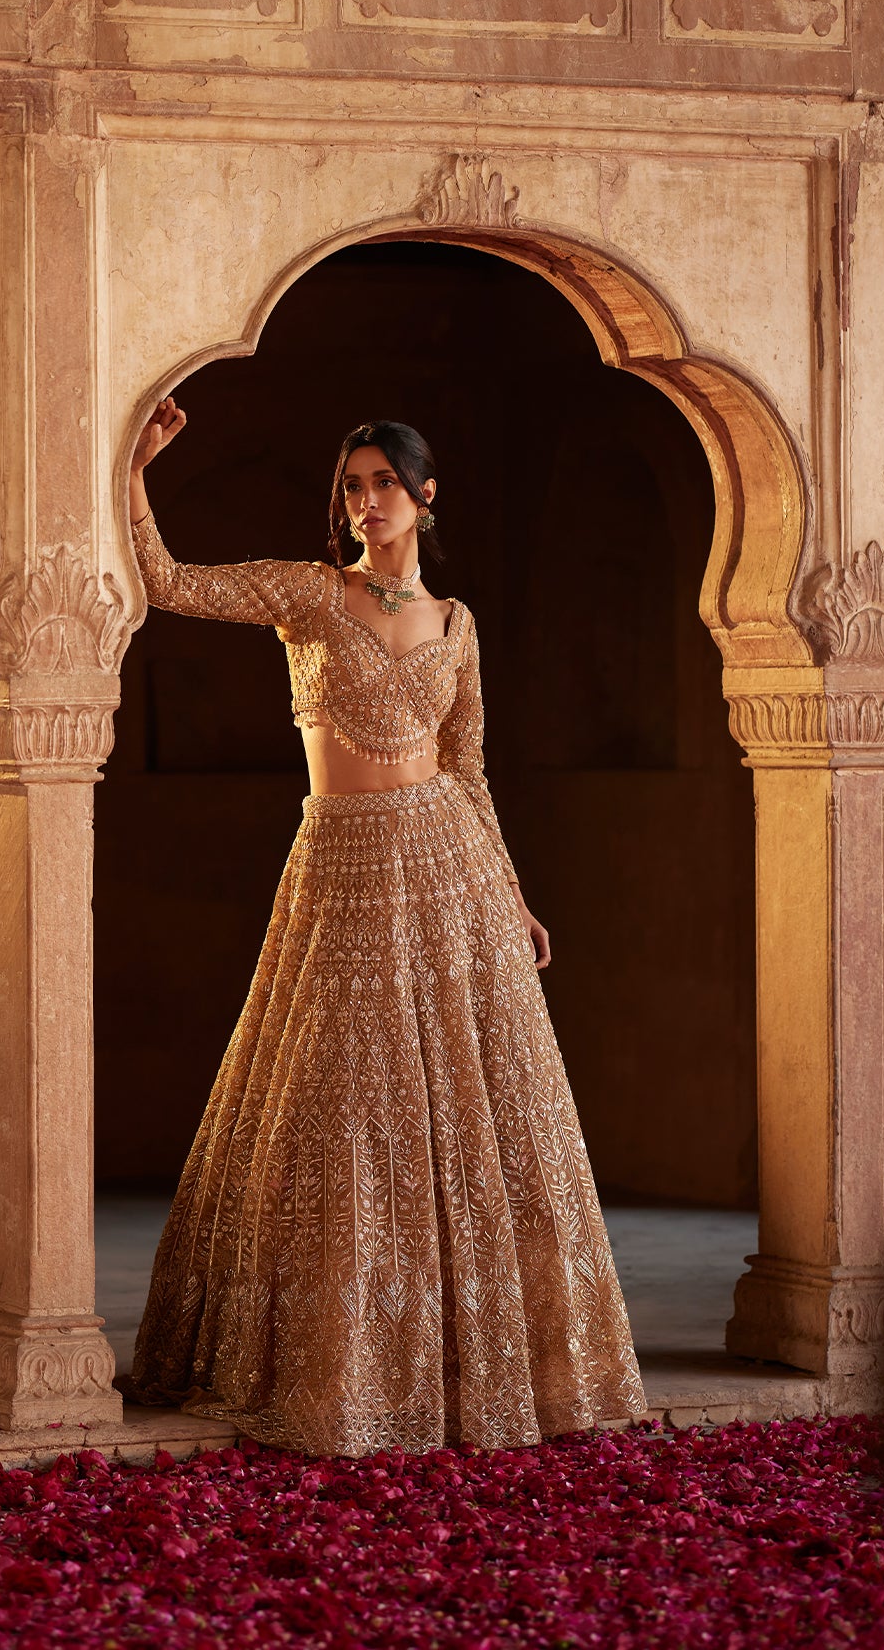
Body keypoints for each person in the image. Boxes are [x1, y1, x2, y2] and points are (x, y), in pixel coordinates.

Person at [127, 399, 647, 1458]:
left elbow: (471, 770)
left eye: (381, 483)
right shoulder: (311, 597)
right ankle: (342, 1374)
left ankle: (484, 1374)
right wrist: (134, 468)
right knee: (341, 1113)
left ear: (425, 493)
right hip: (344, 863)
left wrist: (513, 892)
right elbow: (167, 583)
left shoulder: (457, 625)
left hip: (449, 863)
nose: (365, 503)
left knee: (477, 1124)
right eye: (351, 487)